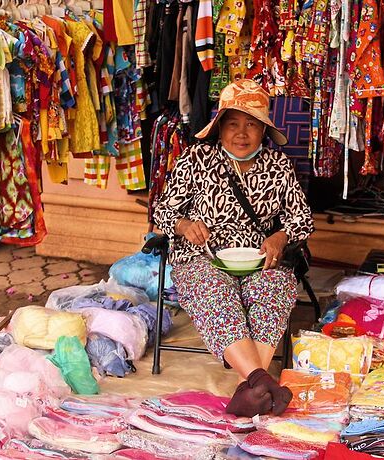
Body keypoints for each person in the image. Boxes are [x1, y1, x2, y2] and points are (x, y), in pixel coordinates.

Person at [153, 79, 314, 417]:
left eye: (252, 124)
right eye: (233, 124)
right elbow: (162, 210)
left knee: (273, 289)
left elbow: (302, 219)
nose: (242, 133)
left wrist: (281, 237)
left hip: (260, 258)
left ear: (263, 131)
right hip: (204, 256)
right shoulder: (196, 158)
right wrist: (184, 225)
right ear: (220, 128)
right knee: (212, 289)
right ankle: (261, 382)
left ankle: (252, 390)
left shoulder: (279, 165)